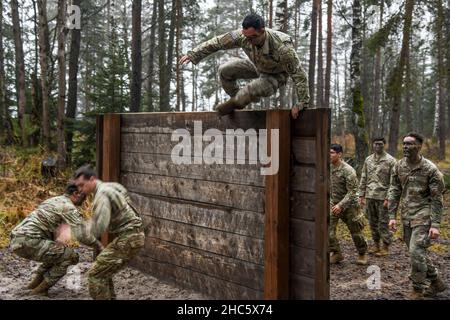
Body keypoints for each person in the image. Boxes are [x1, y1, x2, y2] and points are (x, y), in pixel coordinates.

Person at [179, 13, 309, 117]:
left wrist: (301, 103)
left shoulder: (283, 48)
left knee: (251, 89)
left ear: (262, 31)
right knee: (224, 70)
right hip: (256, 65)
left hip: (276, 76)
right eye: (247, 38)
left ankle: (238, 101)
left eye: (253, 38)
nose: (249, 41)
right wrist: (194, 54)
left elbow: (299, 75)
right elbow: (218, 42)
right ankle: (238, 101)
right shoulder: (242, 36)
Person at [9, 182, 103, 296]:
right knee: (71, 256)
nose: (85, 200)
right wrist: (99, 246)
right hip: (30, 240)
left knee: (57, 253)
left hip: (16, 240)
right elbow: (82, 235)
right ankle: (40, 290)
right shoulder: (68, 207)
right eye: (84, 196)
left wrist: (59, 242)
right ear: (76, 193)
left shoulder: (53, 200)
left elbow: (50, 227)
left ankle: (34, 285)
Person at [388, 133, 447, 299]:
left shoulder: (430, 169)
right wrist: (392, 216)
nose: (405, 147)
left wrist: (435, 225)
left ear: (419, 146)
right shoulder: (399, 166)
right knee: (417, 253)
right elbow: (394, 191)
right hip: (407, 216)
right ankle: (436, 282)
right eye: (404, 143)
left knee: (415, 252)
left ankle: (417, 289)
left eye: (410, 144)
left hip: (424, 216)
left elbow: (437, 199)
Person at [73, 165, 145, 300]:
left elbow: (99, 227)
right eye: (78, 186)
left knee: (95, 275)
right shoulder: (111, 186)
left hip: (128, 237)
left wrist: (75, 231)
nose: (80, 190)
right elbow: (124, 194)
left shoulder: (102, 195)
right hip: (133, 235)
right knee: (103, 271)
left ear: (92, 179)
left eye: (82, 185)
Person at [329, 144, 368, 265]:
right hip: (333, 204)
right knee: (327, 231)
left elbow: (352, 192)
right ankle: (336, 253)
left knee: (356, 232)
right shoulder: (328, 168)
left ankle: (362, 253)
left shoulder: (348, 170)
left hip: (350, 206)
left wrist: (340, 205)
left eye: (332, 153)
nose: (329, 155)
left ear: (339, 154)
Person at [359, 137, 396, 256]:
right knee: (372, 222)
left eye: (380, 144)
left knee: (383, 222)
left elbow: (393, 182)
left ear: (384, 145)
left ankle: (385, 246)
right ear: (372, 145)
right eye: (375, 144)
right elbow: (364, 177)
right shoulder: (368, 160)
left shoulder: (391, 161)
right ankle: (376, 245)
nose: (377, 146)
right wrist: (361, 195)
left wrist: (388, 198)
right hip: (370, 195)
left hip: (383, 196)